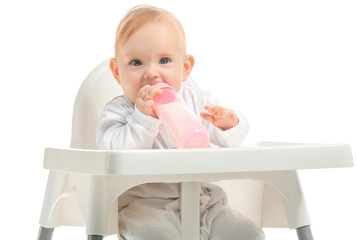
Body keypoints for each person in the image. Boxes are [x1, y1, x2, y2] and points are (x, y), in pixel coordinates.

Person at [96, 5, 265, 240]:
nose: (151, 73)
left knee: (246, 233)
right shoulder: (119, 111)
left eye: (164, 60)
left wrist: (229, 123)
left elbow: (229, 141)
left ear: (184, 68)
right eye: (136, 63)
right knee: (154, 235)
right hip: (147, 204)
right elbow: (115, 150)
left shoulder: (196, 101)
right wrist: (143, 118)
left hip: (205, 201)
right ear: (117, 72)